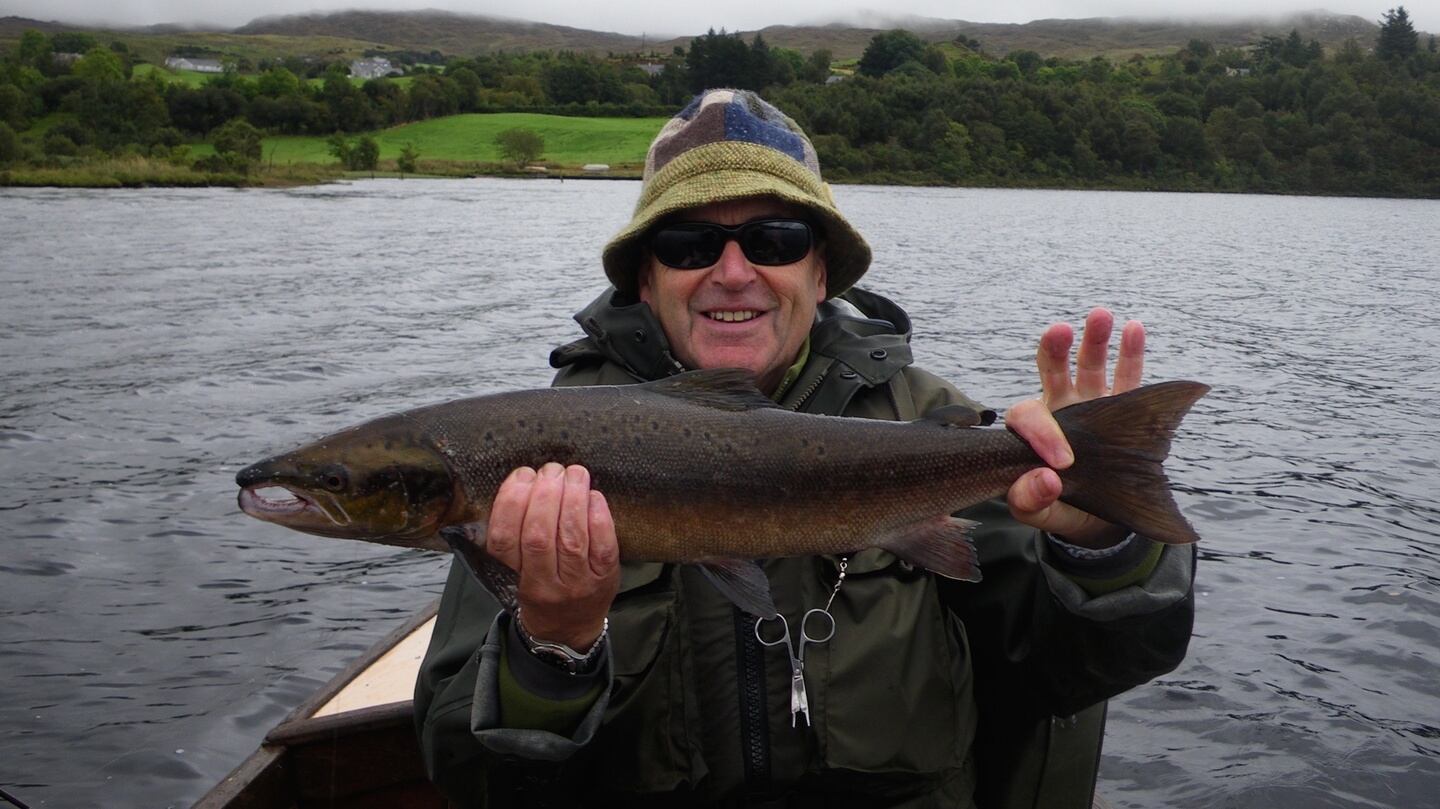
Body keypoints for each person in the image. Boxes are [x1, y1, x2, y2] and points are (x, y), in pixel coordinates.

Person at [414, 89, 1195, 808]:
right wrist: (553, 647)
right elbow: (470, 773)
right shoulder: (542, 459)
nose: (732, 272)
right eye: (688, 244)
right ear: (645, 281)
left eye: (774, 238)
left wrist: (1104, 540)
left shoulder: (927, 425)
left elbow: (1087, 665)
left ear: (821, 274)